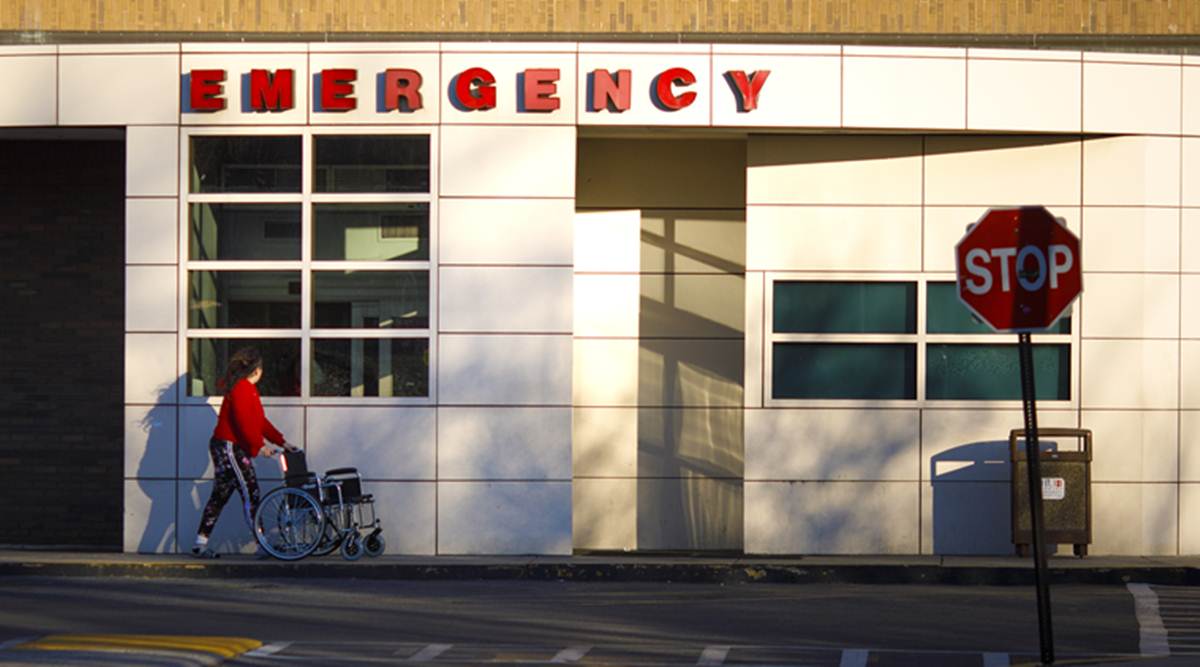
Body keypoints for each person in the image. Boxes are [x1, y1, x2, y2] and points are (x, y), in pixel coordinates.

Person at [191, 347, 296, 559]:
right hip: (229, 447)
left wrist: (282, 442)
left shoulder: (246, 389)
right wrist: (259, 447)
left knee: (220, 495)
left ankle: (200, 544)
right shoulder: (241, 389)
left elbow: (259, 422)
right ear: (257, 370)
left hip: (228, 446)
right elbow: (243, 423)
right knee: (251, 492)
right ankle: (263, 544)